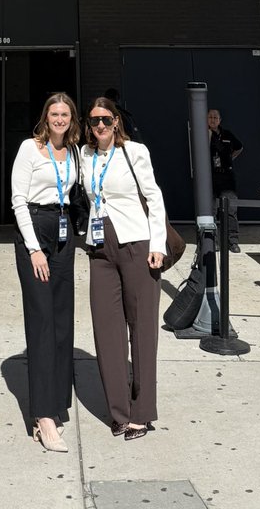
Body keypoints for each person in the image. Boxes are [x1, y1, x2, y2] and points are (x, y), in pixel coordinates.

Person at [81, 95, 167, 442]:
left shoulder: (135, 152)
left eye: (105, 119)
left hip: (137, 244)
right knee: (107, 329)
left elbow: (155, 197)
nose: (99, 125)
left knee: (143, 328)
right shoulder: (86, 155)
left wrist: (158, 244)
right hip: (100, 248)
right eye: (93, 120)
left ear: (116, 121)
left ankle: (142, 412)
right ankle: (118, 411)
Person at [10, 92, 81, 453]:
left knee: (61, 322)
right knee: (41, 323)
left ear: (71, 118)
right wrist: (34, 247)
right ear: (45, 116)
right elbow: (18, 199)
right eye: (54, 113)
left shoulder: (75, 152)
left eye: (65, 113)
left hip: (64, 232)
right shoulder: (29, 149)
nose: (59, 118)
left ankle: (56, 403)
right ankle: (43, 418)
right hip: (35, 231)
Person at [208, 109, 243, 253]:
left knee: (231, 210)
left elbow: (239, 147)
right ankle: (213, 242)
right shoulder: (204, 134)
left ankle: (232, 241)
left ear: (220, 120)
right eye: (210, 117)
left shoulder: (227, 134)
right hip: (211, 176)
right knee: (212, 210)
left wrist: (229, 160)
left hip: (227, 177)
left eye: (215, 117)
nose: (213, 120)